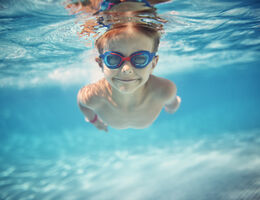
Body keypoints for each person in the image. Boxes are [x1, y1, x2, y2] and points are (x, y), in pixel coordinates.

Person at [77, 23, 181, 132]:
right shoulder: (92, 96)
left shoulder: (164, 90)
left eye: (140, 58)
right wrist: (95, 121)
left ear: (153, 64)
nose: (126, 69)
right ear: (101, 64)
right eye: (113, 58)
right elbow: (82, 103)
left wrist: (172, 107)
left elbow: (172, 103)